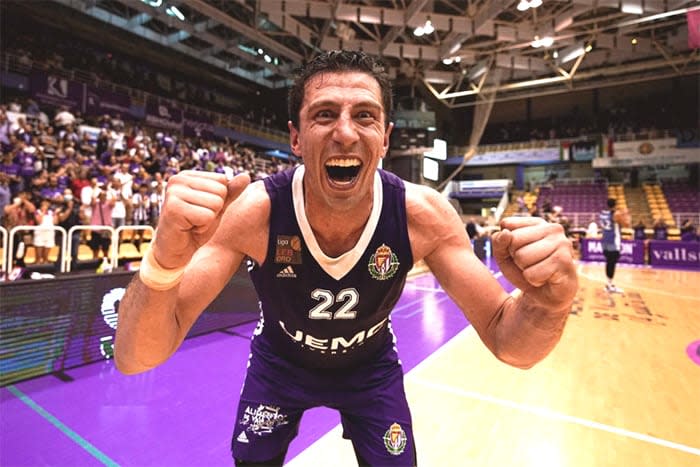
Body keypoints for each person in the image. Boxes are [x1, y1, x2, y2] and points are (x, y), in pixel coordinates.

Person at [114, 51, 578, 466]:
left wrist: (549, 303)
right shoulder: (255, 212)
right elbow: (137, 358)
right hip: (280, 364)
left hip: (369, 367)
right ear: (295, 138)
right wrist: (162, 262)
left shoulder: (423, 216)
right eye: (324, 115)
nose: (344, 133)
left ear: (385, 138)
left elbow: (509, 342)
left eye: (364, 116)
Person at [599, 198, 630, 293]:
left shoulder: (603, 214)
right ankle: (610, 286)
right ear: (615, 204)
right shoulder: (616, 214)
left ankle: (609, 284)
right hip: (613, 242)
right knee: (612, 264)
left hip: (605, 241)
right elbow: (627, 224)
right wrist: (626, 214)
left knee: (608, 263)